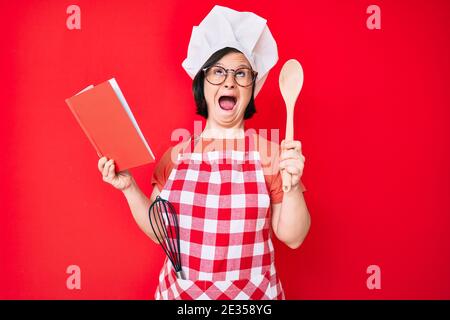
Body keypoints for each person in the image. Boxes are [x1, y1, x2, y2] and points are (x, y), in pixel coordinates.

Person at [97, 5, 310, 300]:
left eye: (241, 73)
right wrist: (129, 187)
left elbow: (294, 237)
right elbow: (162, 233)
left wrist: (294, 183)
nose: (229, 81)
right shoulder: (175, 156)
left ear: (251, 87)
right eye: (218, 71)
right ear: (202, 82)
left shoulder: (273, 155)